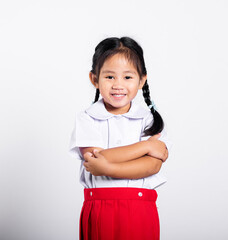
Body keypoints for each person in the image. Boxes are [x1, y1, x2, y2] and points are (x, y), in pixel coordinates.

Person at [69, 36, 172, 240]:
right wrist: (145, 148)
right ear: (95, 79)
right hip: (100, 208)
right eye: (109, 77)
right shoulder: (87, 118)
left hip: (140, 209)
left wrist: (108, 167)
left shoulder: (150, 120)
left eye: (127, 77)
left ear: (142, 80)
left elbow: (152, 166)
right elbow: (94, 159)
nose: (118, 85)